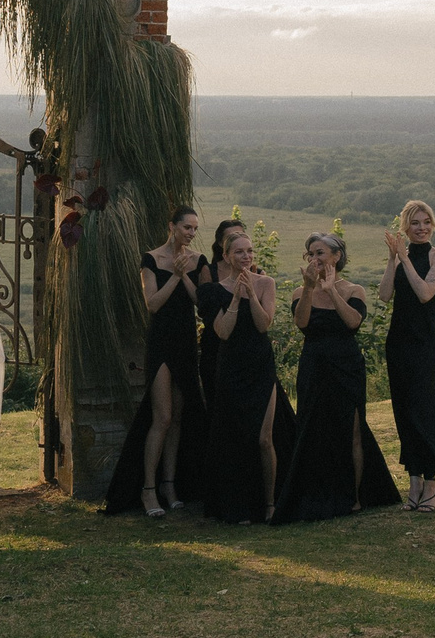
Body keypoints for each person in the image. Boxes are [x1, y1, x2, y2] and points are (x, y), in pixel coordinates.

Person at [271, 232, 400, 523]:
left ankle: (354, 496)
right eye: (311, 254)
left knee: (352, 428)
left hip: (346, 365)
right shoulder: (299, 291)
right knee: (312, 427)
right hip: (314, 364)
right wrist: (309, 289)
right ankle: (316, 493)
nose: (314, 259)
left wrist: (331, 291)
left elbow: (353, 323)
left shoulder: (354, 290)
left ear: (336, 256)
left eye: (320, 253)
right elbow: (302, 323)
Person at [104, 206, 208, 517]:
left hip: (186, 342)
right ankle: (147, 489)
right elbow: (153, 304)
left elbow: (201, 302)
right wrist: (175, 275)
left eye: (194, 229)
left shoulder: (198, 260)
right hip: (161, 342)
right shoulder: (150, 259)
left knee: (177, 419)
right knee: (162, 417)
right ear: (172, 226)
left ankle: (169, 485)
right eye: (186, 227)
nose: (191, 233)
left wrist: (185, 274)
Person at [201, 229, 296, 523]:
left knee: (264, 438)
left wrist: (251, 294)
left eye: (250, 251)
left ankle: (269, 503)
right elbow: (223, 332)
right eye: (239, 252)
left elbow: (263, 324)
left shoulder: (266, 283)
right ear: (226, 256)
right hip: (231, 367)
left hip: (259, 365)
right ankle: (238, 505)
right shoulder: (212, 291)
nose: (246, 256)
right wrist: (234, 299)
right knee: (235, 437)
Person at [382, 201, 435, 512]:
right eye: (415, 223)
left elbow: (425, 294)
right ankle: (413, 479)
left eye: (426, 222)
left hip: (423, 343)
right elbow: (385, 295)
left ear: (432, 224)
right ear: (406, 227)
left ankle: (431, 481)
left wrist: (405, 259)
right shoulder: (400, 257)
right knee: (404, 410)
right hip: (398, 342)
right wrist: (392, 259)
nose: (421, 228)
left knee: (424, 410)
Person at [196, 217, 246, 409]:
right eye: (231, 237)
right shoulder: (209, 271)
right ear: (221, 244)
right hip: (216, 347)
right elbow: (206, 309)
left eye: (241, 235)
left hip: (245, 345)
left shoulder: (256, 273)